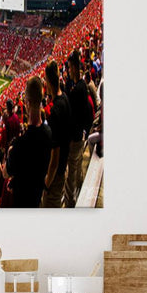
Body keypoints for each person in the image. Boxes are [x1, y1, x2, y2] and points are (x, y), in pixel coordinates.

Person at [4, 76, 52, 208]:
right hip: (37, 198)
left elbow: (6, 173)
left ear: (27, 103)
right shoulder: (48, 133)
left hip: (22, 203)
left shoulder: (20, 145)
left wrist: (9, 154)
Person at [41, 61, 72, 208]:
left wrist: (46, 184)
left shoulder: (54, 111)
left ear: (48, 80)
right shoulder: (65, 97)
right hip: (64, 165)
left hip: (56, 174)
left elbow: (55, 154)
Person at [65, 51, 93, 207]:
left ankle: (71, 205)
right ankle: (81, 189)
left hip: (75, 138)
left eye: (70, 67)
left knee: (70, 179)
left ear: (75, 67)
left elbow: (74, 116)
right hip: (80, 136)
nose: (69, 70)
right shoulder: (81, 86)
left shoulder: (78, 89)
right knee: (78, 169)